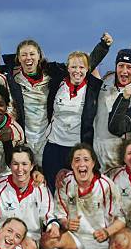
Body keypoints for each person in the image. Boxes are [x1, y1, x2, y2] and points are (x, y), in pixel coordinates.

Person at [2, 33, 112, 165]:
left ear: (39, 56)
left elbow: (80, 68)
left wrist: (103, 46)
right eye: (24, 55)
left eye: (32, 54)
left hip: (47, 138)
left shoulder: (53, 75)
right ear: (18, 58)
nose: (28, 58)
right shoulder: (11, 79)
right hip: (24, 138)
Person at [40, 144, 125, 249]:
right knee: (47, 241)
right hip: (75, 240)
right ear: (72, 164)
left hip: (98, 242)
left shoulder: (106, 185)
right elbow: (59, 214)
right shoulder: (65, 182)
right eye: (77, 160)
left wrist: (107, 232)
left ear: (93, 163)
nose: (81, 164)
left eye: (86, 159)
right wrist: (66, 223)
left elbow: (121, 219)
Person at [41, 51, 104, 191]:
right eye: (74, 67)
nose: (77, 71)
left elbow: (95, 59)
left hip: (77, 149)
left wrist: (103, 46)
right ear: (67, 68)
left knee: (77, 192)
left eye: (81, 67)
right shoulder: (58, 83)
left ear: (88, 69)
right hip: (54, 146)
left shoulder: (92, 88)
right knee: (53, 190)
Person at [93, 48, 131, 172]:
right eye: (121, 66)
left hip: (120, 151)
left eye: (129, 67)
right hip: (98, 147)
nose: (124, 71)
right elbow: (93, 74)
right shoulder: (108, 78)